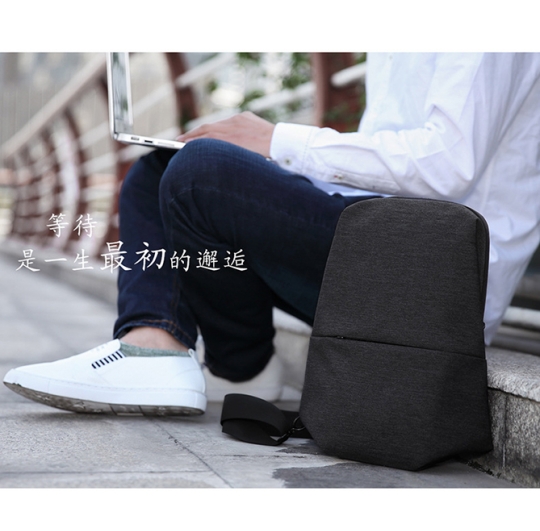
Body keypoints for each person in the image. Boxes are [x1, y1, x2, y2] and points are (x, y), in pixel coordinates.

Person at [4, 52, 540, 416]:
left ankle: (185, 360)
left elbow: (448, 163)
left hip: (437, 279)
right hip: (380, 234)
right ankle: (207, 361)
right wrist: (264, 165)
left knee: (201, 174)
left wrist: (279, 140)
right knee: (159, 172)